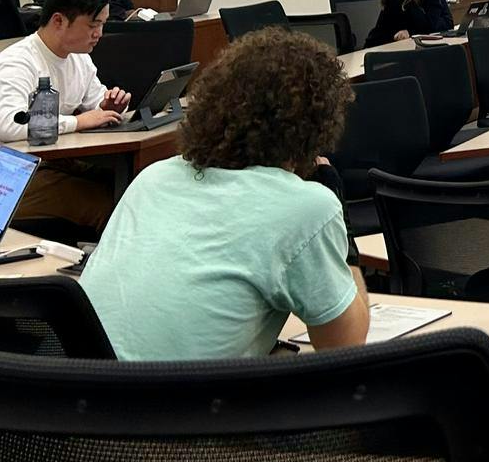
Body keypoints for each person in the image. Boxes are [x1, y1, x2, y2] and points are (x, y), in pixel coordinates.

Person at [81, 28, 369, 358]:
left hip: (85, 393)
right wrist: (339, 216)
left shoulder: (155, 177)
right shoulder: (306, 207)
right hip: (184, 404)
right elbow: (345, 346)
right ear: (316, 128)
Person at [0, 0, 133, 236]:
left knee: (132, 187)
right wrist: (78, 121)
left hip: (52, 162)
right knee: (114, 209)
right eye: (93, 25)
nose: (99, 33)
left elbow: (94, 102)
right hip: (5, 181)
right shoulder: (16, 63)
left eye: (102, 24)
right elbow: (9, 126)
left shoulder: (78, 57)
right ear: (59, 21)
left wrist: (108, 104)